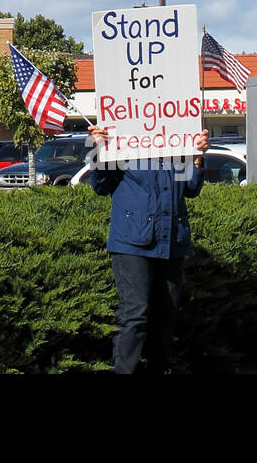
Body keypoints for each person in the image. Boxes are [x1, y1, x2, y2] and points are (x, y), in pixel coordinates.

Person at [87, 125, 210, 374]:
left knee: (166, 316)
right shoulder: (121, 139)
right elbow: (101, 186)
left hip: (172, 240)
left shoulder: (177, 143)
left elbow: (191, 188)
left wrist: (197, 157)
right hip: (131, 241)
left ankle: (160, 368)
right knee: (135, 313)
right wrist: (97, 148)